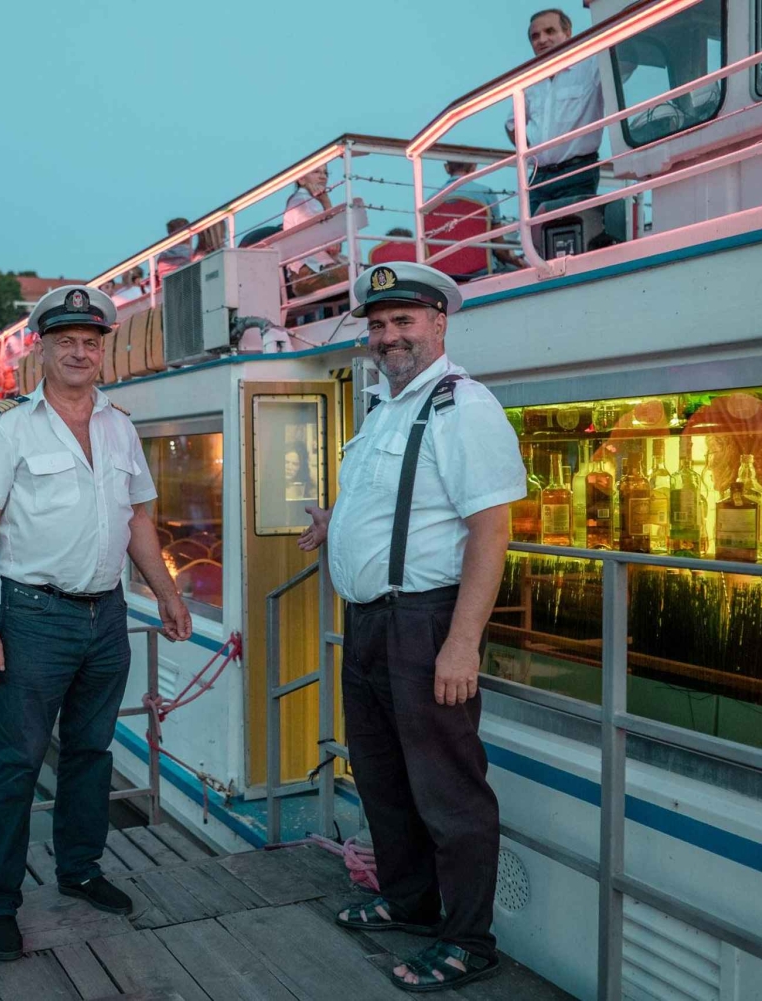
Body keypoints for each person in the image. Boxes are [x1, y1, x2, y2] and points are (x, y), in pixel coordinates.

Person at [298, 261, 525, 992]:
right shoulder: (383, 409)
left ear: (438, 322)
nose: (390, 336)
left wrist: (462, 642)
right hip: (367, 625)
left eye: (404, 321)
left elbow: (491, 530)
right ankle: (407, 899)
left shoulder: (466, 407)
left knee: (448, 788)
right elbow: (401, 506)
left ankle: (468, 940)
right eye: (379, 325)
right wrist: (338, 526)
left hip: (425, 625)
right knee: (381, 774)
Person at [0, 283, 193, 962]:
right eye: (67, 342)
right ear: (43, 349)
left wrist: (169, 595)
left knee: (92, 753)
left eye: (91, 342)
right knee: (17, 762)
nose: (80, 352)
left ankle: (80, 869)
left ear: (103, 350)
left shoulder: (120, 426)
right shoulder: (11, 427)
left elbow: (139, 522)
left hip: (107, 615)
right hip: (34, 618)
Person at [506, 9, 604, 215]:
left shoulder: (590, 65)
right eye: (535, 36)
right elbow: (512, 123)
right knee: (536, 242)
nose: (542, 40)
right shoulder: (528, 81)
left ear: (567, 33)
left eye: (550, 31)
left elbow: (626, 62)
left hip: (576, 173)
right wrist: (531, 150)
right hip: (536, 178)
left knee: (572, 238)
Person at [283, 166, 345, 294]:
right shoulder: (305, 202)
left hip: (308, 274)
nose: (323, 177)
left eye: (326, 173)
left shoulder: (302, 201)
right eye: (316, 172)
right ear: (301, 179)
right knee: (369, 275)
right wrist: (327, 202)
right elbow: (333, 246)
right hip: (311, 275)